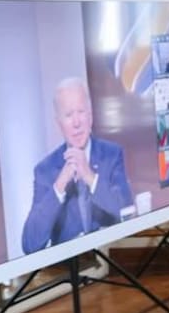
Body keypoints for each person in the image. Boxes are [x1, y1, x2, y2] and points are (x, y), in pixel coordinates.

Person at [22, 78, 134, 254]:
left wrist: (90, 177)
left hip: (111, 259)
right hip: (70, 269)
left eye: (81, 112)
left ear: (90, 115)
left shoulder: (111, 154)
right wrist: (59, 186)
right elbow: (30, 244)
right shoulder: (45, 170)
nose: (76, 123)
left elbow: (127, 211)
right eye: (68, 115)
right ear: (59, 123)